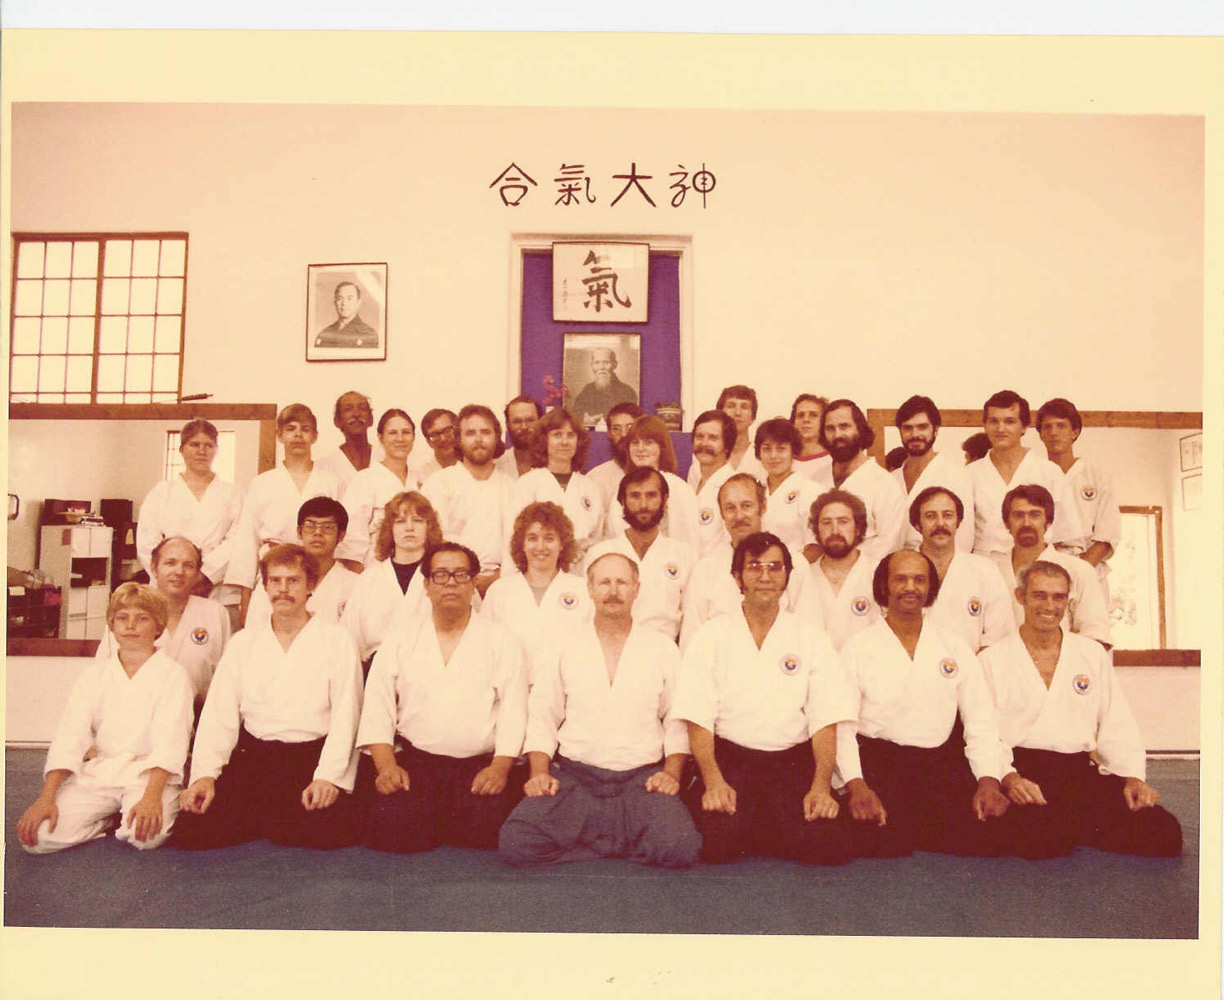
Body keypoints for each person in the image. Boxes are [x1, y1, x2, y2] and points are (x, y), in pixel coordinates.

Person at [498, 552, 701, 868]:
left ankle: (592, 840)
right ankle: (620, 842)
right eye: (604, 582)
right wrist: (539, 773)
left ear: (636, 588)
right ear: (589, 589)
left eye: (622, 582)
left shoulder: (661, 647)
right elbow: (543, 714)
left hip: (641, 780)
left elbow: (676, 720)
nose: (613, 591)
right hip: (576, 779)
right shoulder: (564, 644)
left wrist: (670, 774)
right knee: (516, 842)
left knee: (681, 846)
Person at [674, 532, 857, 865]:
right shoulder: (711, 635)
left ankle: (767, 824)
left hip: (789, 762)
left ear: (787, 576)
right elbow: (697, 717)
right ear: (737, 577)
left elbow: (825, 719)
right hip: (731, 760)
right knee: (719, 844)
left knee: (829, 846)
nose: (765, 576)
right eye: (754, 567)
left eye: (775, 567)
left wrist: (821, 785)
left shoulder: (810, 637)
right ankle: (767, 826)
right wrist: (713, 781)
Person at [979, 561, 1181, 857]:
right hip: (1023, 772)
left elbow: (1116, 721)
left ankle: (1075, 823)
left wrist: (1132, 778)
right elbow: (985, 733)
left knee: (1164, 833)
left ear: (1068, 601)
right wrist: (1009, 779)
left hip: (1076, 774)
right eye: (1039, 595)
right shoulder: (993, 658)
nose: (1049, 605)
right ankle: (1072, 825)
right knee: (1044, 837)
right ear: (1020, 596)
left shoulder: (1090, 653)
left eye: (1058, 597)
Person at [835, 551, 1023, 858]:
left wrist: (988, 781)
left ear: (930, 588)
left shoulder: (954, 645)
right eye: (900, 579)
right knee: (882, 839)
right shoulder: (859, 647)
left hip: (939, 763)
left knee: (993, 833)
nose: (910, 587)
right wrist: (856, 786)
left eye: (919, 579)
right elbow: (843, 727)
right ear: (884, 587)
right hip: (880, 762)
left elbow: (980, 720)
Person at [174, 545, 363, 850]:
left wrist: (328, 777)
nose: (283, 589)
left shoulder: (336, 640)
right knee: (193, 828)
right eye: (275, 581)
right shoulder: (244, 643)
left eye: (293, 580)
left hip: (310, 759)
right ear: (265, 587)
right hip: (255, 760)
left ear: (310, 586)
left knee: (321, 831)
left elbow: (347, 715)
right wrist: (205, 775)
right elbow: (219, 716)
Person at [358, 542, 528, 854]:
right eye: (440, 575)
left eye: (461, 575)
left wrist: (500, 769)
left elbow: (514, 711)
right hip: (418, 764)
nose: (451, 583)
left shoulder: (500, 640)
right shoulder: (400, 637)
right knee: (394, 831)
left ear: (474, 582)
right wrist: (387, 768)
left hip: (478, 768)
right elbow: (378, 707)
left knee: (486, 834)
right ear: (426, 585)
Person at [17, 583, 193, 853]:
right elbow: (70, 736)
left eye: (142, 618)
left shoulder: (174, 675)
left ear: (158, 627)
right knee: (39, 839)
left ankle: (128, 815)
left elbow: (171, 743)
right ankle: (107, 819)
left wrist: (152, 797)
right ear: (112, 625)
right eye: (122, 618)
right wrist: (47, 797)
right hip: (103, 771)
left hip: (148, 775)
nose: (131, 625)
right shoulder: (94, 676)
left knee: (144, 837)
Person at [225, 403, 342, 626]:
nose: (298, 434)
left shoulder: (331, 482)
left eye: (305, 429)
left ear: (315, 436)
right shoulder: (262, 483)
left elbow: (338, 534)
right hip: (274, 571)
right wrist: (246, 599)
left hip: (317, 573)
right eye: (291, 428)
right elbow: (247, 542)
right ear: (279, 435)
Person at [95, 537, 231, 707]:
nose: (179, 571)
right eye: (170, 563)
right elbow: (102, 675)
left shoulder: (215, 613)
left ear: (197, 573)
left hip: (200, 716)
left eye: (188, 565)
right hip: (135, 715)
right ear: (154, 568)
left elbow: (226, 680)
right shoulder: (127, 613)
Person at [680, 473, 806, 650]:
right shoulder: (706, 570)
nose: (739, 516)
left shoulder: (794, 564)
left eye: (746, 506)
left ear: (763, 507)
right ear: (722, 514)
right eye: (730, 508)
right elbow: (691, 642)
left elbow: (808, 634)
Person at [988, 485, 1112, 646]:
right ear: (1006, 523)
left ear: (1048, 522)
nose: (1026, 523)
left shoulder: (1078, 570)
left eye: (1035, 515)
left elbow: (1096, 633)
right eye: (1018, 515)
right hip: (1001, 664)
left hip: (1062, 665)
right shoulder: (990, 570)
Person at [967, 389, 1085, 556]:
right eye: (993, 421)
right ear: (985, 425)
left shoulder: (1049, 472)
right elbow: (961, 540)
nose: (1000, 428)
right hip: (984, 569)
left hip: (1040, 569)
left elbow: (1070, 540)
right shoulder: (968, 474)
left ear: (1024, 427)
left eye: (1009, 421)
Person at [585, 466, 697, 641]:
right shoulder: (600, 554)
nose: (643, 505)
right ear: (622, 501)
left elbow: (692, 621)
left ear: (665, 500)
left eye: (651, 495)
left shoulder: (684, 555)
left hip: (665, 653)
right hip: (611, 650)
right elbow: (587, 615)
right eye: (635, 496)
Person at [136, 418, 243, 598]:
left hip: (213, 586)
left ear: (216, 450)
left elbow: (237, 539)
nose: (202, 451)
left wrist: (205, 575)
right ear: (182, 449)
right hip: (167, 586)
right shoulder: (162, 492)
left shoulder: (232, 493)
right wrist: (172, 574)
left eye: (209, 445)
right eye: (194, 444)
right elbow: (147, 542)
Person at [482, 502, 593, 674]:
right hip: (510, 692)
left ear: (562, 544)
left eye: (549, 538)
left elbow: (589, 649)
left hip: (566, 691)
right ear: (522, 544)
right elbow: (487, 649)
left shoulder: (582, 590)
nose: (540, 547)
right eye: (532, 538)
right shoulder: (499, 592)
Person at [421, 403, 517, 598]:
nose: (479, 439)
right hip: (451, 583)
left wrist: (499, 578)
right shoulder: (439, 484)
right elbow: (433, 541)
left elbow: (517, 543)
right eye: (471, 433)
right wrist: (462, 578)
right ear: (458, 439)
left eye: (486, 432)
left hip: (502, 583)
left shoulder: (511, 487)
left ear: (497, 437)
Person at [341, 491, 443, 666]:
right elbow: (349, 641)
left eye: (418, 521)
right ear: (390, 528)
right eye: (400, 521)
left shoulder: (442, 576)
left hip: (429, 670)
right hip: (376, 672)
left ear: (429, 527)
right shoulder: (369, 579)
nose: (409, 528)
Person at [1036, 397, 1122, 600]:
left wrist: (1078, 569)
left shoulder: (1097, 475)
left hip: (1088, 565)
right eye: (1047, 427)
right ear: (1040, 435)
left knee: (1089, 630)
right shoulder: (1035, 475)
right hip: (1045, 566)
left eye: (1061, 426)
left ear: (1075, 432)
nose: (1054, 432)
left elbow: (1106, 533)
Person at [911, 487, 1015, 653]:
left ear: (958, 521)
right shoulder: (900, 569)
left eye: (948, 515)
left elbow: (998, 635)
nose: (940, 523)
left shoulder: (985, 571)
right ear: (917, 525)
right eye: (930, 516)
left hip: (971, 672)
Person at [810, 399, 907, 563]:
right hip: (820, 577)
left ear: (860, 430)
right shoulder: (815, 480)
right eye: (830, 428)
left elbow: (890, 544)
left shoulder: (885, 484)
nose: (837, 434)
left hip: (867, 580)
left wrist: (848, 570)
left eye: (844, 426)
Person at [244, 497, 358, 626]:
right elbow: (253, 630)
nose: (318, 532)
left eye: (328, 527)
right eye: (310, 526)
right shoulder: (275, 579)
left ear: (341, 535)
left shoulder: (354, 584)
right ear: (299, 531)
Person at [793, 490, 881, 650]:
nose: (835, 531)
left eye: (843, 522)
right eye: (826, 522)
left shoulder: (878, 574)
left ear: (858, 528)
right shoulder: (801, 577)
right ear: (816, 530)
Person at [336, 408, 423, 569]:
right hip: (375, 568)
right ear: (380, 438)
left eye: (406, 432)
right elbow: (351, 542)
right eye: (392, 433)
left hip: (418, 567)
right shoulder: (364, 480)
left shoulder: (422, 481)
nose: (400, 438)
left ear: (413, 438)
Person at [512, 407, 604, 557]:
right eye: (557, 435)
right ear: (544, 440)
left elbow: (597, 535)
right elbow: (514, 538)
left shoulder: (589, 486)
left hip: (582, 572)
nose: (564, 442)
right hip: (539, 569)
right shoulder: (527, 484)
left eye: (570, 435)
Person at [603, 414, 701, 550]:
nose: (641, 449)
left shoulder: (680, 489)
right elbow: (613, 535)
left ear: (662, 447)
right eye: (635, 443)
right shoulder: (622, 487)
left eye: (648, 443)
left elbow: (689, 541)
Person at [891, 395, 974, 552]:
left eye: (922, 427)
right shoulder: (891, 479)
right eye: (907, 428)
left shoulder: (956, 475)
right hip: (897, 566)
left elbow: (964, 537)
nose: (915, 434)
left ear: (935, 430)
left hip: (940, 566)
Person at [755, 417, 822, 555]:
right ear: (759, 453)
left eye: (781, 449)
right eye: (767, 449)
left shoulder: (811, 491)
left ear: (793, 451)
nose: (773, 456)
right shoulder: (754, 491)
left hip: (798, 571)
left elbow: (815, 547)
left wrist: (790, 574)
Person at [685, 409, 739, 558]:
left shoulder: (734, 487)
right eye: (699, 436)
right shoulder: (692, 484)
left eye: (713, 438)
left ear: (727, 445)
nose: (704, 443)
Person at [586, 401, 643, 513]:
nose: (623, 434)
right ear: (609, 434)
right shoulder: (596, 478)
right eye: (616, 428)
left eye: (630, 427)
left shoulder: (655, 475)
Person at [315, 391, 375, 491]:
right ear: (337, 421)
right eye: (348, 409)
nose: (356, 414)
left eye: (362, 408)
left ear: (371, 419)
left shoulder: (384, 460)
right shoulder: (324, 467)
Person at [572, 347, 638, 427]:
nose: (601, 367)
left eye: (606, 362)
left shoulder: (627, 391)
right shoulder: (587, 390)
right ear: (592, 365)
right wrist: (584, 421)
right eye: (596, 363)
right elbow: (574, 417)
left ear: (614, 364)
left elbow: (633, 422)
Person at [716, 384, 768, 483]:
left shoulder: (764, 457)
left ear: (753, 417)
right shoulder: (709, 455)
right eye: (731, 406)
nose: (737, 413)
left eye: (744, 407)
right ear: (720, 413)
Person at [314, 280, 378, 348]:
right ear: (335, 303)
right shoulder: (324, 334)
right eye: (340, 299)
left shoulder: (368, 334)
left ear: (358, 303)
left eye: (349, 298)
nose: (344, 303)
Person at [497, 395, 543, 480]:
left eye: (530, 420)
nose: (524, 427)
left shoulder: (552, 464)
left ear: (540, 422)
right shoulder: (497, 465)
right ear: (508, 425)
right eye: (517, 421)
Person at [410, 408, 461, 481]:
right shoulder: (420, 477)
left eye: (448, 431)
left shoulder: (474, 468)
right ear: (429, 442)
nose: (443, 439)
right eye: (435, 435)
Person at [790, 393, 831, 481]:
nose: (806, 420)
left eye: (813, 415)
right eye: (800, 415)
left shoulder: (834, 461)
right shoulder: (783, 461)